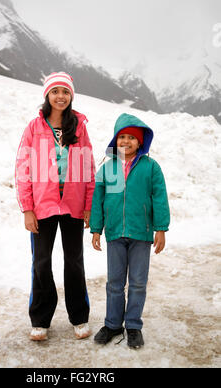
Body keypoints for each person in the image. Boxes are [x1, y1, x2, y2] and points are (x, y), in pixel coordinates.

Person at [15, 72, 95, 341]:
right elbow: (23, 169)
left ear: (71, 96)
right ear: (47, 96)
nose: (61, 96)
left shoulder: (79, 127)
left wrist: (88, 205)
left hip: (72, 206)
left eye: (66, 92)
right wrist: (27, 208)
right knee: (41, 262)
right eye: (55, 91)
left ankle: (79, 317)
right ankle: (40, 320)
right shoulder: (34, 128)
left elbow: (88, 168)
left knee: (74, 262)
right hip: (42, 207)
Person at [90, 113, 170, 349]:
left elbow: (159, 198)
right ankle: (113, 324)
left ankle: (133, 325)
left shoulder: (151, 167)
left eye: (131, 138)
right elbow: (98, 199)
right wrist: (96, 228)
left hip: (141, 234)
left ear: (140, 142)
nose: (126, 142)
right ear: (116, 141)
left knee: (137, 283)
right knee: (114, 283)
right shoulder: (108, 167)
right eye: (122, 137)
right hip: (115, 233)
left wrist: (161, 229)